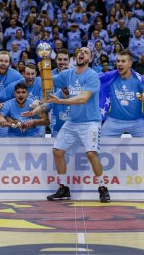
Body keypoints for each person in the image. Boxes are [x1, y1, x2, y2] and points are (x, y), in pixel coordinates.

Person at [44, 46, 111, 203]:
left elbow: (83, 98)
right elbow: (48, 81)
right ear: (76, 56)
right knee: (57, 151)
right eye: (80, 51)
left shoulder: (92, 76)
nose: (82, 53)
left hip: (90, 122)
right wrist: (45, 62)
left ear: (90, 59)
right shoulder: (68, 74)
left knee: (91, 153)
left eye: (86, 52)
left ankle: (102, 188)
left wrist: (60, 101)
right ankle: (64, 188)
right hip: (73, 121)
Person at [100, 51, 144, 138]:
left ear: (130, 63)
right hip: (114, 121)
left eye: (123, 61)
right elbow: (95, 79)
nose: (119, 64)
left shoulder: (138, 79)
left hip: (137, 122)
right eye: (118, 61)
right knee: (100, 143)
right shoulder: (110, 78)